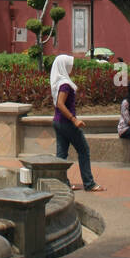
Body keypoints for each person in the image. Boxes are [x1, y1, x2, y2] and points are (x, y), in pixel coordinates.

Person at [51, 53, 103, 192]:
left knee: (61, 155)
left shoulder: (58, 83)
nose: (71, 68)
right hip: (66, 123)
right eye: (70, 66)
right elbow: (60, 104)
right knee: (84, 150)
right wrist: (74, 119)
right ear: (64, 66)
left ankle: (62, 184)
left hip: (57, 121)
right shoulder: (65, 85)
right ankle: (89, 183)